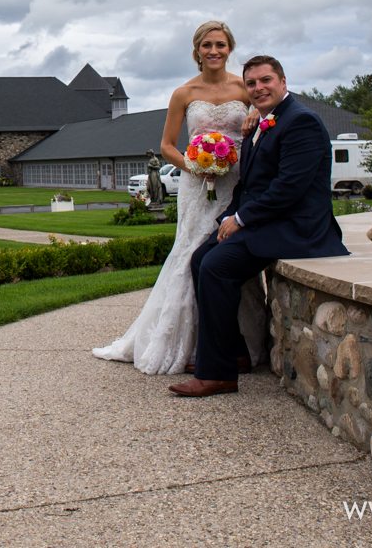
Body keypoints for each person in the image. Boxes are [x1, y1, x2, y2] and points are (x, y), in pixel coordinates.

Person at [169, 55, 349, 398]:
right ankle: (234, 352)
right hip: (268, 219)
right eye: (251, 83)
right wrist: (227, 217)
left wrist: (241, 219)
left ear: (282, 81)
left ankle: (216, 373)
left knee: (217, 266)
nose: (258, 88)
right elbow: (248, 186)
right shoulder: (262, 124)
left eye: (266, 80)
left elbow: (289, 188)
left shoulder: (301, 122)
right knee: (199, 257)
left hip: (296, 228)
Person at [93, 20, 264, 374]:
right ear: (196, 51)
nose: (214, 51)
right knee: (191, 255)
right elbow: (166, 146)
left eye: (220, 45)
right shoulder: (184, 93)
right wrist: (193, 164)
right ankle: (187, 344)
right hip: (197, 184)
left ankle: (242, 343)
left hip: (236, 182)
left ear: (229, 49)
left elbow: (264, 122)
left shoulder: (245, 88)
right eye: (207, 45)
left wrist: (252, 120)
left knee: (230, 254)